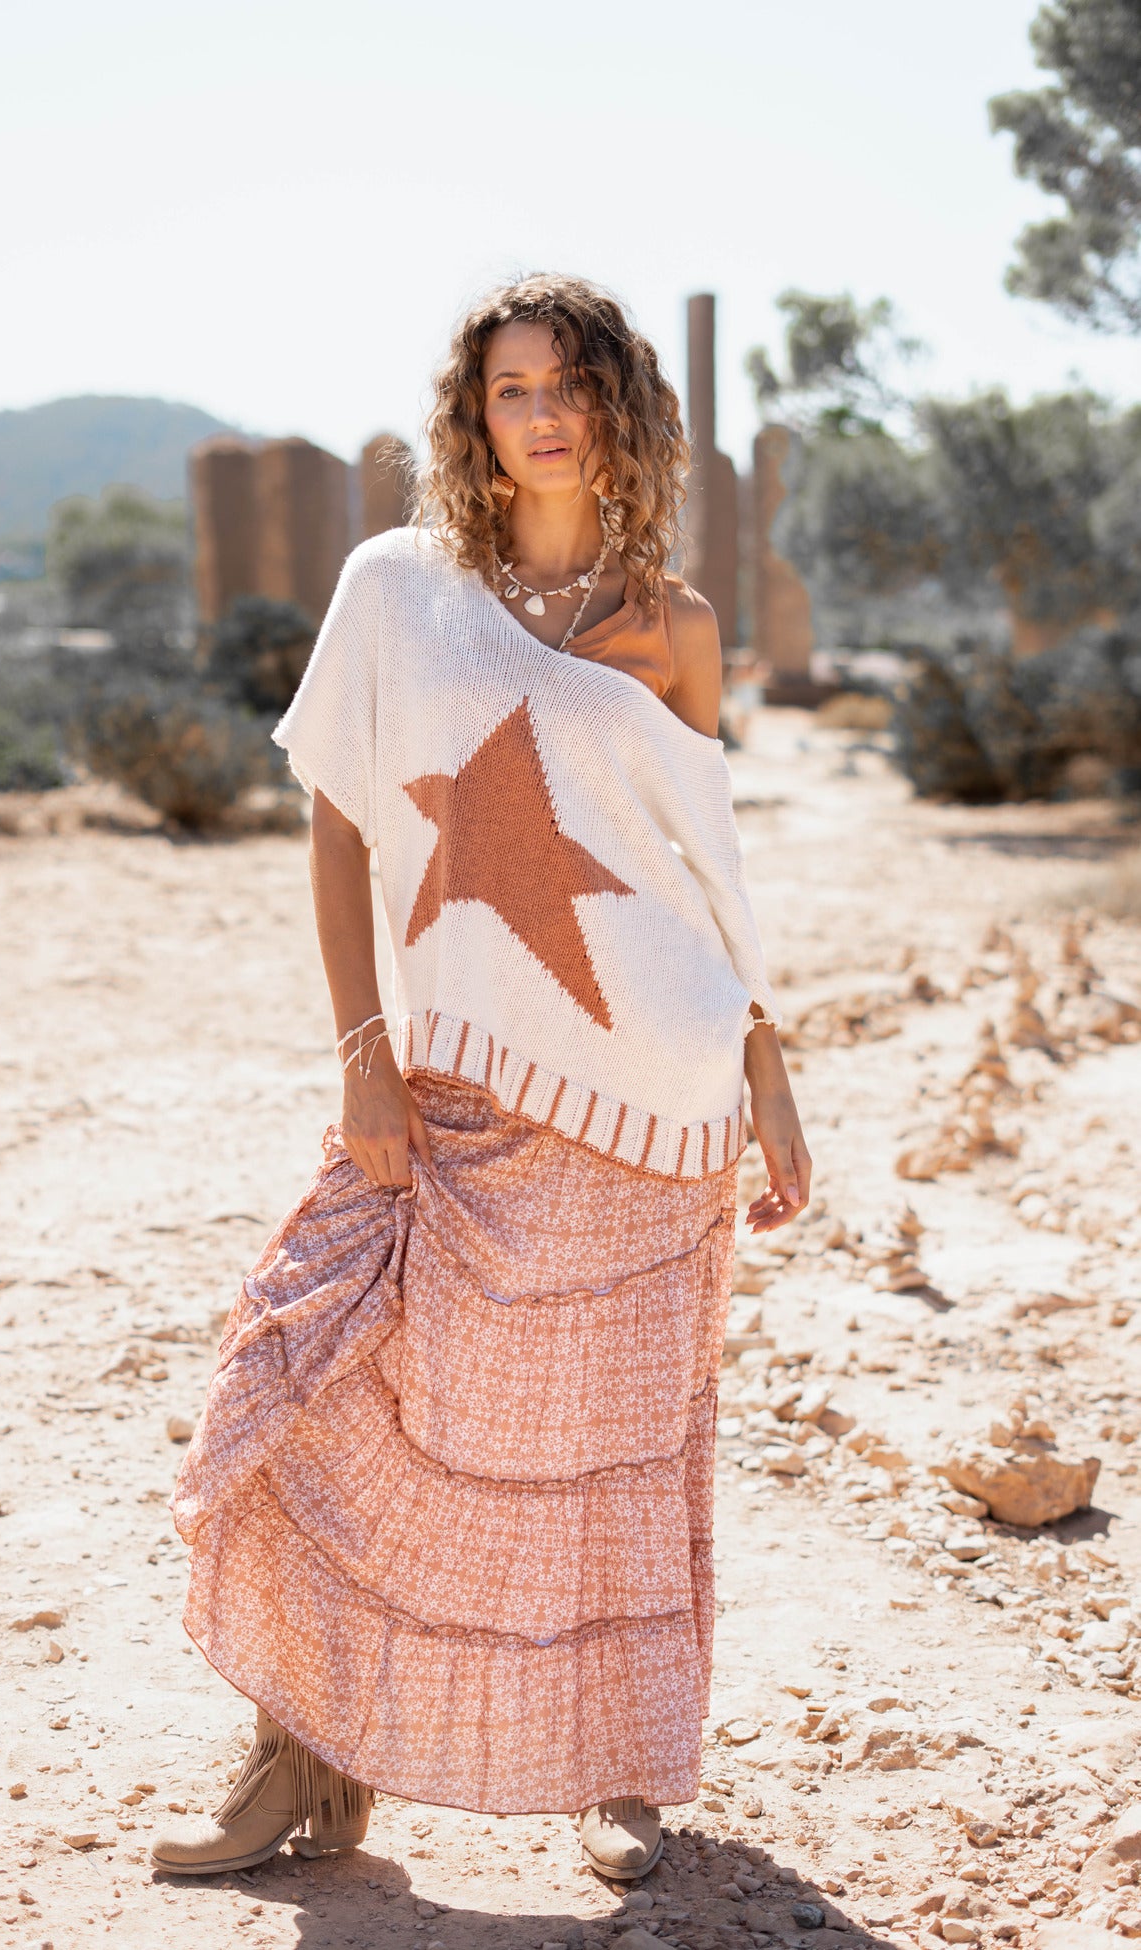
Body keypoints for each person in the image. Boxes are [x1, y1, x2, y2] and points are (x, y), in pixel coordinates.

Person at [152, 273, 810, 1883]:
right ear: (475, 416)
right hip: (452, 1079)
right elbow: (337, 822)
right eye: (512, 389)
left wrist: (769, 1069)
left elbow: (704, 875)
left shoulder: (675, 627)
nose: (543, 415)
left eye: (570, 384)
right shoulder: (399, 587)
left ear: (619, 407)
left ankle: (617, 1769)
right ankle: (303, 1760)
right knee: (317, 1384)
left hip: (650, 1095)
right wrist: (362, 1056)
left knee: (615, 1450)